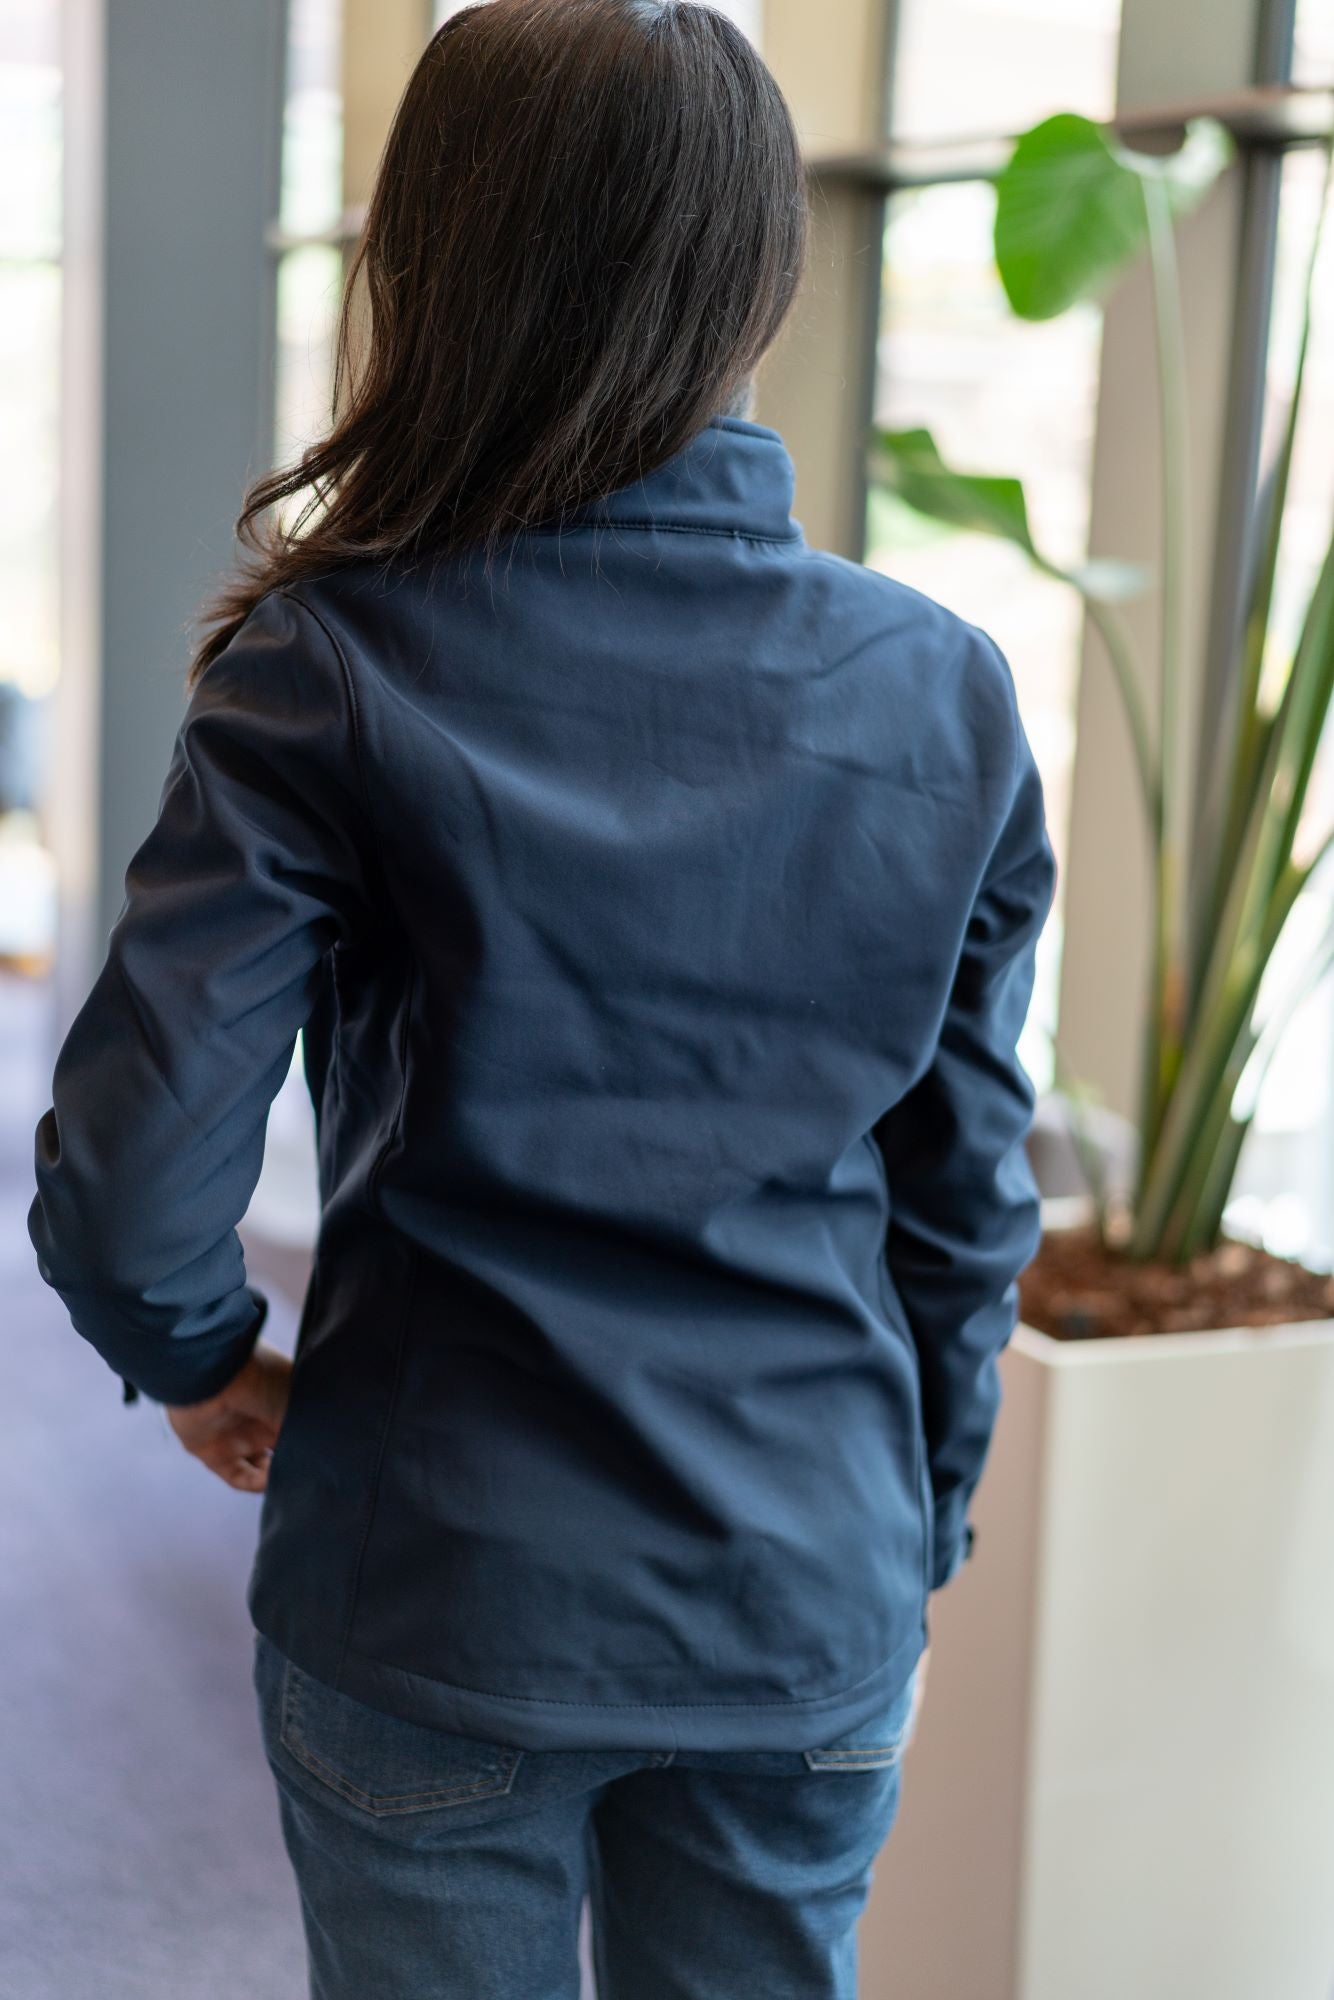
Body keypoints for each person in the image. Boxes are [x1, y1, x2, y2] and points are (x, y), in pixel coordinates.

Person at [28, 2, 1056, 1995]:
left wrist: (200, 1362)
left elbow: (138, 1168)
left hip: (438, 1584)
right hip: (798, 1582)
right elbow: (964, 1196)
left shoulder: (326, 663)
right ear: (760, 276)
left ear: (429, 263)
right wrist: (904, 1520)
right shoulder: (944, 688)